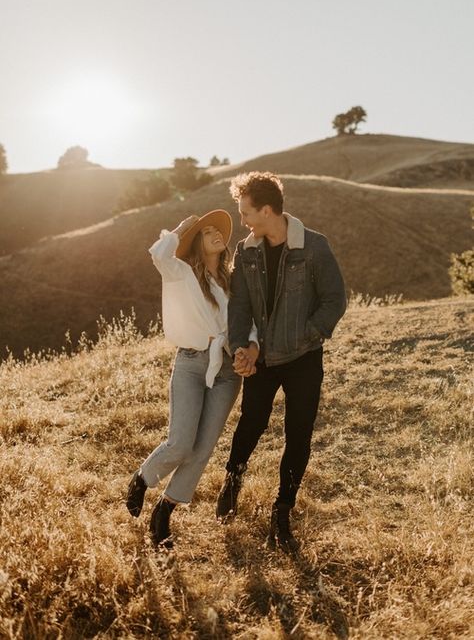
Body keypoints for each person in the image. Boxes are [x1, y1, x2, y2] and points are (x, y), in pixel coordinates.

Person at [216, 172, 347, 552]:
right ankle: (232, 483)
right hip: (263, 359)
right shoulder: (247, 250)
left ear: (267, 210)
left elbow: (334, 300)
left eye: (245, 212)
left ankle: (282, 511)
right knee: (251, 424)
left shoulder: (314, 246)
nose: (242, 221)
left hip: (304, 357)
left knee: (298, 434)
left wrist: (309, 334)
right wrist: (241, 346)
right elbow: (239, 303)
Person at [126, 210, 257, 548]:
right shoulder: (180, 272)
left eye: (218, 231)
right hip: (191, 363)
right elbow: (158, 254)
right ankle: (142, 478)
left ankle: (164, 513)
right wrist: (182, 228)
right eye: (207, 231)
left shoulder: (234, 280)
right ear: (197, 242)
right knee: (181, 442)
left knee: (202, 450)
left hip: (228, 371)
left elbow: (249, 321)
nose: (215, 234)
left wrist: (250, 347)